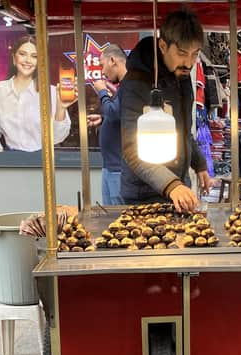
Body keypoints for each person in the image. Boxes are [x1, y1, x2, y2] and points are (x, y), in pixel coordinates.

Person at [119, 9, 212, 212]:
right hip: (143, 195)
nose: (188, 63)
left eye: (194, 54)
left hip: (178, 186)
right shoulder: (135, 83)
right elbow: (132, 149)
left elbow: (184, 131)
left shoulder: (183, 78)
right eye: (181, 53)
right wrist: (172, 185)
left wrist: (199, 164)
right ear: (163, 46)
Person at [0, 36, 74, 152]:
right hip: (10, 162)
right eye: (23, 54)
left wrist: (60, 109)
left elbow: (58, 137)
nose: (28, 60)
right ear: (14, 58)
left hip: (42, 161)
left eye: (34, 56)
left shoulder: (51, 92)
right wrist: (1, 158)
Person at [88, 44, 128, 205]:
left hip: (118, 168)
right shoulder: (124, 88)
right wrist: (103, 119)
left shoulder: (128, 87)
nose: (103, 72)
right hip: (110, 166)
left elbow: (114, 112)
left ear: (112, 61)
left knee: (117, 218)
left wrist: (102, 92)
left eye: (102, 65)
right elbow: (120, 116)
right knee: (108, 216)